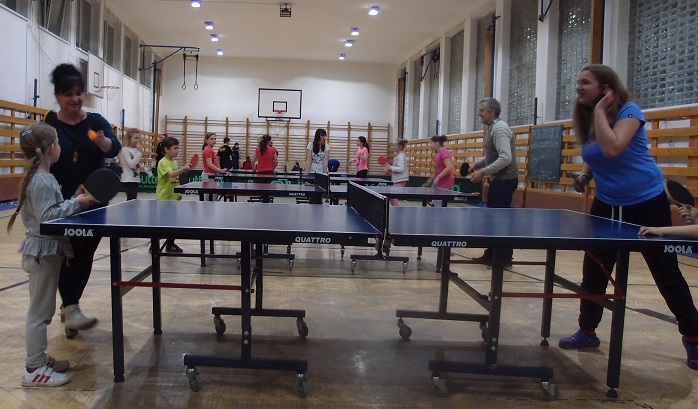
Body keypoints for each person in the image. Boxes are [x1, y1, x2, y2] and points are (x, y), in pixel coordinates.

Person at [557, 64, 698, 371]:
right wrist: (585, 175)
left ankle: (694, 337)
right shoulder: (590, 117)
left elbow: (612, 148)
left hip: (646, 201)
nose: (578, 87)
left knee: (666, 273)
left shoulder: (629, 111)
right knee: (595, 270)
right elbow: (596, 154)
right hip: (607, 202)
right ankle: (587, 331)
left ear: (606, 88)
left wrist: (600, 110)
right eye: (578, 82)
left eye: (585, 82)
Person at [8, 123, 97, 386]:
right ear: (49, 149)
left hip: (46, 252)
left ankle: (38, 358)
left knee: (43, 309)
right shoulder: (41, 180)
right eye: (57, 143)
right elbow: (48, 217)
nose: (60, 147)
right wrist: (76, 204)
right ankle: (33, 368)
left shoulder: (43, 177)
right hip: (42, 253)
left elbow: (50, 209)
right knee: (40, 313)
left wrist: (71, 200)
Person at [44, 63, 121, 339]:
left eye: (79, 93)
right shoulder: (51, 123)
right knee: (69, 254)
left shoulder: (95, 121)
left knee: (86, 254)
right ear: (57, 96)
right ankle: (71, 307)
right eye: (68, 94)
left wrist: (103, 143)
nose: (75, 99)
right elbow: (42, 158)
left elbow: (114, 146)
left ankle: (70, 307)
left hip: (95, 201)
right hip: (63, 201)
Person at [468, 97, 519, 266]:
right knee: (493, 220)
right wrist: (477, 164)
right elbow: (494, 155)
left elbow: (505, 158)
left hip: (504, 181)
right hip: (499, 180)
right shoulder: (493, 128)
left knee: (500, 220)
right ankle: (491, 254)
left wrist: (483, 172)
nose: (479, 114)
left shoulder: (500, 129)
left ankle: (503, 257)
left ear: (492, 112)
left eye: (482, 110)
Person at [155, 136, 191, 253]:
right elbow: (171, 174)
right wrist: (183, 169)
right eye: (175, 148)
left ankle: (170, 244)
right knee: (161, 224)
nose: (177, 151)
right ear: (166, 149)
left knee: (174, 223)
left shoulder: (174, 162)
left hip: (174, 197)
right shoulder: (162, 162)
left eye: (178, 148)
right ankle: (154, 245)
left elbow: (175, 177)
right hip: (164, 198)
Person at [423, 135, 454, 207]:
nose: (430, 146)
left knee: (438, 205)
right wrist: (432, 178)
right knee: (436, 204)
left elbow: (449, 167)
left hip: (445, 182)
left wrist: (438, 177)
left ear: (436, 143)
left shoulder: (444, 152)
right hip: (439, 183)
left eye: (431, 143)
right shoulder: (437, 154)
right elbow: (439, 169)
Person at [120, 128, 144, 201]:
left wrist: (145, 168)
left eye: (139, 138)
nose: (137, 141)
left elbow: (136, 165)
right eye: (136, 138)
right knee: (131, 199)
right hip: (128, 179)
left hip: (135, 179)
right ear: (129, 137)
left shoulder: (135, 150)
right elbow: (131, 165)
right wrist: (139, 153)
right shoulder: (125, 150)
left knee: (133, 200)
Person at [384, 139, 409, 206]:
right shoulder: (398, 156)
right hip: (398, 180)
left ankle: (398, 211)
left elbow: (401, 169)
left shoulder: (401, 156)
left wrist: (390, 167)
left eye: (395, 145)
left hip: (400, 180)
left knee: (393, 198)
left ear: (400, 146)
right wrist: (390, 168)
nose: (393, 147)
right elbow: (397, 168)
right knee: (393, 198)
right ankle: (398, 210)